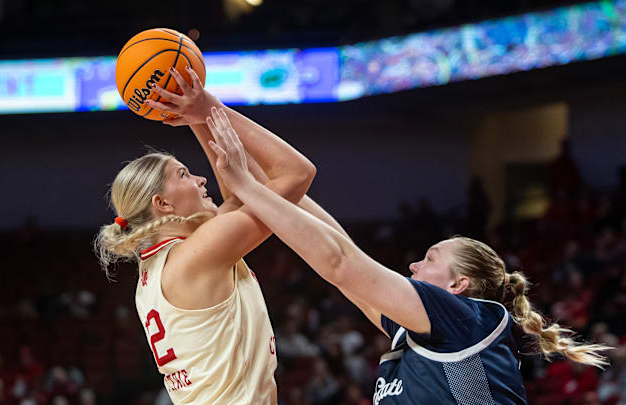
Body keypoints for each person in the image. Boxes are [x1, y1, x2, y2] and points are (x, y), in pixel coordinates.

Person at [203, 108, 612, 404]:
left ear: (458, 285)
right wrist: (203, 119)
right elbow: (339, 251)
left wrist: (245, 178)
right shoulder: (422, 329)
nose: (414, 265)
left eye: (430, 258)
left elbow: (340, 261)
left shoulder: (466, 318)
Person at [94, 65, 319, 404]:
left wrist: (196, 117)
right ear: (163, 203)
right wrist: (211, 108)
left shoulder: (169, 260)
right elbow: (296, 173)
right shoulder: (199, 253)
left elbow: (241, 196)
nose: (201, 179)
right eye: (184, 174)